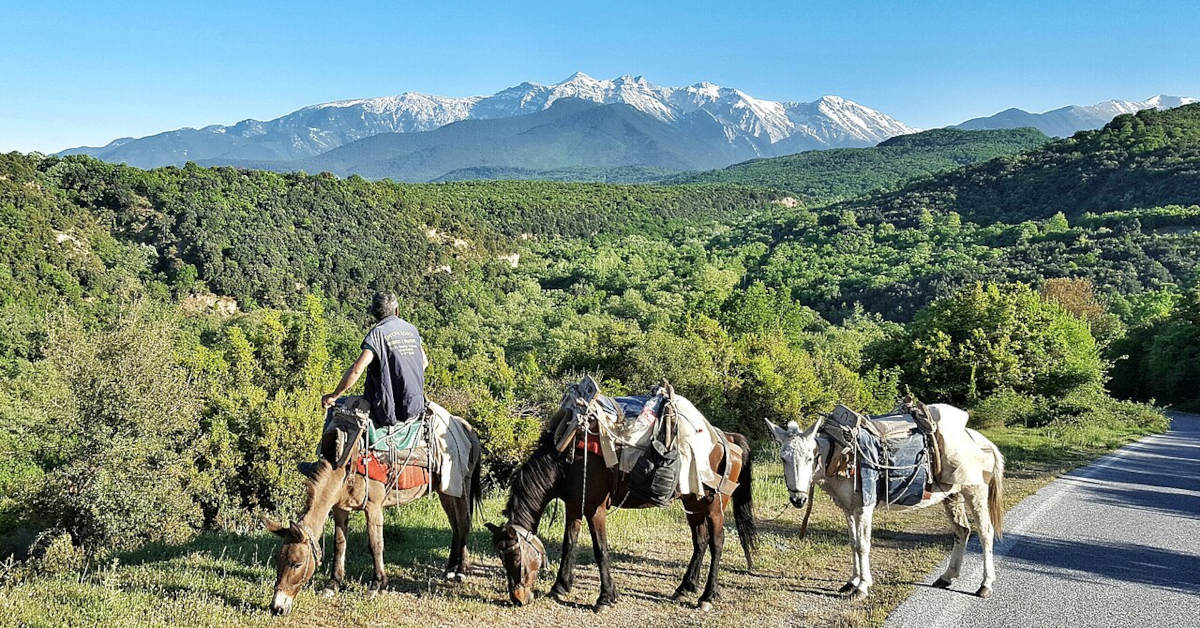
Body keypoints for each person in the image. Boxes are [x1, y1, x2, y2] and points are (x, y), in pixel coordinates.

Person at [321, 292, 429, 427]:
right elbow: (424, 363)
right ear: (397, 311)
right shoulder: (412, 330)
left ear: (374, 313)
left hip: (388, 410)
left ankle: (324, 448)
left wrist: (334, 395)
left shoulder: (377, 334)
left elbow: (356, 370)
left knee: (335, 407)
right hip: (416, 405)